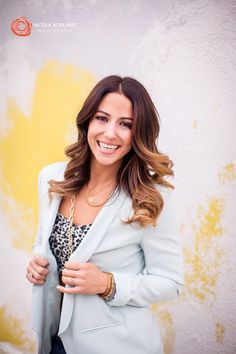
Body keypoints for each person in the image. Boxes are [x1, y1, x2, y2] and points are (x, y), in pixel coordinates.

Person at [26, 75, 184, 354]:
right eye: (102, 118)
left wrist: (108, 283)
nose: (110, 133)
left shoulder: (150, 197)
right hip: (52, 339)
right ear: (87, 121)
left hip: (117, 345)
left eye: (126, 124)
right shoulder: (51, 178)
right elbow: (46, 244)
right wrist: (37, 265)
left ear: (139, 134)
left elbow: (170, 283)